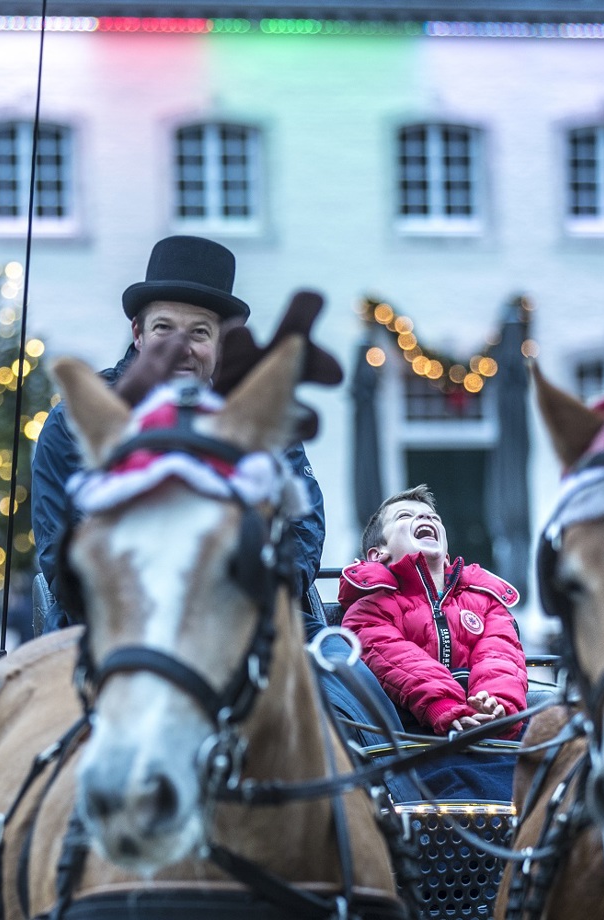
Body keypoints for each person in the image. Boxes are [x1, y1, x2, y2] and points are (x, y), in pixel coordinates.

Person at [31, 235, 325, 632]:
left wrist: (257, 598)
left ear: (221, 342)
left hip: (245, 624)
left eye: (200, 332)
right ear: (138, 333)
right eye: (163, 328)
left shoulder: (258, 419)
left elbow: (302, 526)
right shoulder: (75, 424)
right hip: (111, 631)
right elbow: (65, 551)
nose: (180, 347)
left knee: (347, 678)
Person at [338, 484, 528, 801]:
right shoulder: (368, 608)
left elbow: (501, 657)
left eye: (431, 515)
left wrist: (496, 706)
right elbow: (398, 662)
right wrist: (450, 710)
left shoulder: (486, 600)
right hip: (420, 739)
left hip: (496, 732)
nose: (425, 516)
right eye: (405, 515)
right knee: (460, 786)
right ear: (377, 554)